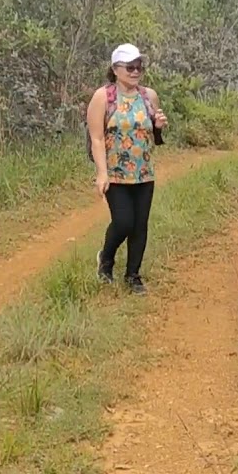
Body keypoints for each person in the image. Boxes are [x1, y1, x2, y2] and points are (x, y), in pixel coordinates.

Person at [86, 43, 168, 294]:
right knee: (123, 222)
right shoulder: (104, 97)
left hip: (144, 172)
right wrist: (102, 173)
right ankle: (106, 260)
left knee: (140, 224)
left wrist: (159, 126)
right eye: (130, 67)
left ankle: (133, 275)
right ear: (115, 69)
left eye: (139, 67)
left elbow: (155, 138)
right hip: (115, 173)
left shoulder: (148, 96)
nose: (135, 72)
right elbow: (97, 138)